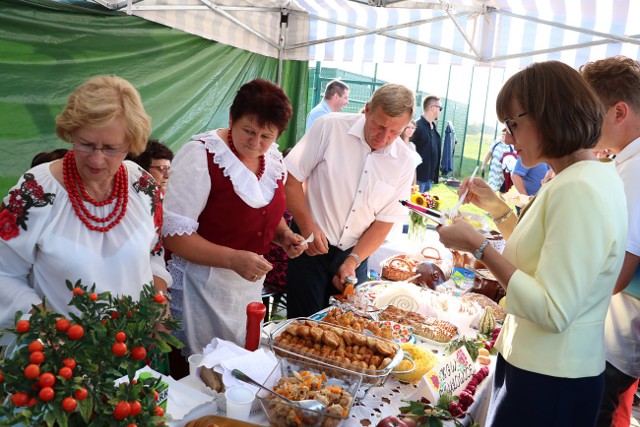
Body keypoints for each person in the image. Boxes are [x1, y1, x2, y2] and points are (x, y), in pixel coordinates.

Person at [436, 61, 627, 427]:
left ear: (550, 116)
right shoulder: (580, 177)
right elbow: (543, 261)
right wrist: (497, 208)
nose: (508, 137)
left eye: (513, 124)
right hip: (543, 370)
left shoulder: (579, 188)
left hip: (550, 380)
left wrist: (478, 247)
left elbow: (553, 309)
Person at [0, 75, 171, 331]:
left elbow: (153, 251)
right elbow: (4, 274)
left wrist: (159, 298)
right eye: (86, 144)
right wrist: (48, 324)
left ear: (131, 143)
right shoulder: (34, 192)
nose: (97, 160)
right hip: (60, 358)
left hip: (135, 349)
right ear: (71, 132)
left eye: (112, 148)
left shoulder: (142, 185)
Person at [162, 79, 307, 355]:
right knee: (203, 370)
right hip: (202, 289)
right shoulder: (201, 155)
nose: (255, 143)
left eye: (266, 137)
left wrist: (283, 234)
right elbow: (174, 236)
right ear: (231, 118)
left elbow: (263, 209)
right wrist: (232, 258)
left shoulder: (273, 159)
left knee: (239, 362)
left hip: (246, 290)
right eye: (248, 131)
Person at [285, 83, 416, 318]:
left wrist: (353, 260)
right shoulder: (329, 127)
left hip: (355, 258)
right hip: (309, 249)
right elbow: (291, 180)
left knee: (349, 338)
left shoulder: (405, 161)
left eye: (395, 132)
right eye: (380, 125)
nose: (384, 137)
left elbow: (385, 220)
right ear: (366, 110)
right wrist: (307, 227)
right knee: (299, 333)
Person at [581, 56, 640, 427]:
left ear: (619, 112)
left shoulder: (635, 169)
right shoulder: (626, 162)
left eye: (590, 113)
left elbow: (616, 275)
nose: (584, 124)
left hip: (615, 344)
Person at [411, 95, 442, 192]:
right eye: (439, 108)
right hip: (417, 180)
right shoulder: (416, 126)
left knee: (424, 206)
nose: (440, 111)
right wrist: (413, 179)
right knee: (413, 207)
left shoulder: (433, 128)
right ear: (433, 108)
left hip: (428, 180)